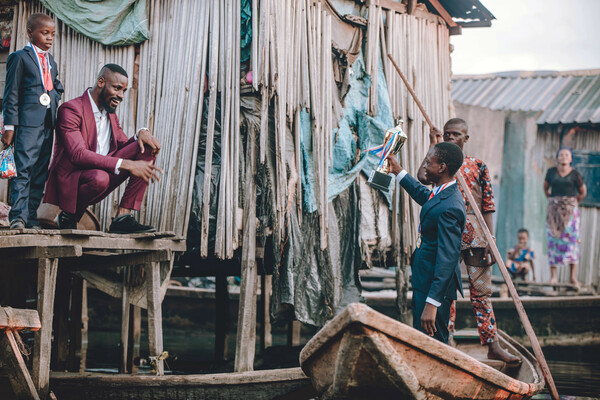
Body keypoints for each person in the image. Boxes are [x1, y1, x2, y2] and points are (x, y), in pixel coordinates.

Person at [420, 118, 520, 364]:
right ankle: (447, 340)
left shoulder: (478, 165)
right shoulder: (439, 166)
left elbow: (487, 204)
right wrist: (433, 145)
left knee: (481, 291)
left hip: (474, 234)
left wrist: (490, 238)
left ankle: (492, 343)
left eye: (456, 134)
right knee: (446, 289)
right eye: (447, 134)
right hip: (448, 234)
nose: (450, 137)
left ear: (466, 138)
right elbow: (422, 178)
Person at [44, 64, 163, 233]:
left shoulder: (109, 113)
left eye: (124, 91)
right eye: (117, 88)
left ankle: (122, 217)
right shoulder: (71, 109)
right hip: (74, 180)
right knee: (100, 178)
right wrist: (128, 165)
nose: (121, 95)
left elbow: (122, 145)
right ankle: (68, 216)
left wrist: (141, 133)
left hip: (100, 176)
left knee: (147, 147)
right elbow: (78, 155)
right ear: (101, 82)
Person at [386, 142, 465, 344]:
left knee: (434, 344)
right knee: (422, 342)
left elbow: (448, 258)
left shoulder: (450, 207)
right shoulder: (440, 193)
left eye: (428, 163)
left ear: (442, 167)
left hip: (434, 288)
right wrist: (398, 171)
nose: (424, 167)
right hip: (425, 281)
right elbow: (425, 196)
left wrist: (432, 303)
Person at [1, 13, 64, 229]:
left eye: (52, 34)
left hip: (47, 124)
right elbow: (10, 94)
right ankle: (17, 216)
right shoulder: (20, 58)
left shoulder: (51, 61)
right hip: (27, 125)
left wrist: (55, 96)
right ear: (30, 33)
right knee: (23, 169)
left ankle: (30, 218)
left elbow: (56, 85)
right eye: (44, 33)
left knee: (39, 172)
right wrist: (9, 126)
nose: (49, 38)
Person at [543, 147, 586, 286]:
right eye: (561, 154)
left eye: (566, 155)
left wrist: (572, 203)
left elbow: (582, 192)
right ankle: (553, 277)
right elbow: (545, 188)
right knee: (552, 240)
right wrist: (553, 200)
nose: (563, 157)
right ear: (557, 157)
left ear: (571, 159)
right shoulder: (551, 172)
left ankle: (572, 278)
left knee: (572, 241)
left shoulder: (575, 174)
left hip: (570, 211)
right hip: (553, 210)